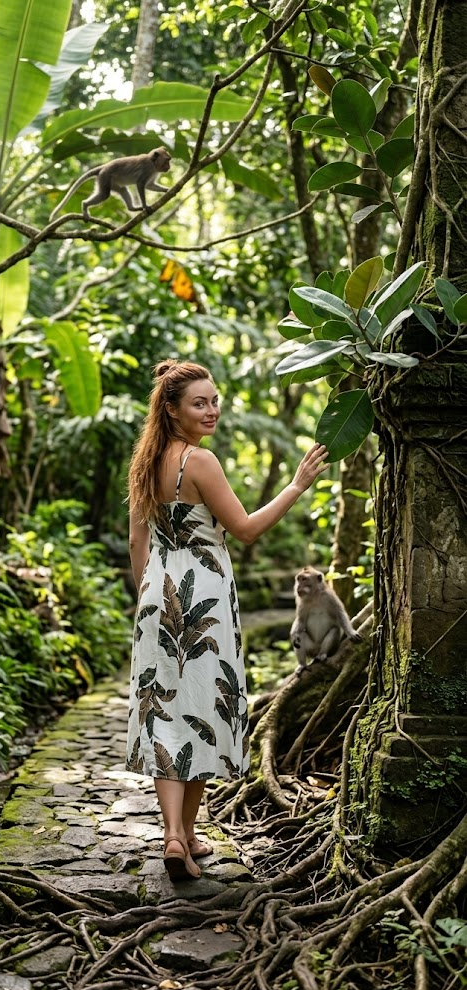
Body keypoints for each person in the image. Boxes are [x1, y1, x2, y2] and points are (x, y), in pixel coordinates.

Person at [126, 360, 328, 881]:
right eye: (200, 402)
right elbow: (245, 529)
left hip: (157, 596)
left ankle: (182, 835)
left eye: (214, 400)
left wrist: (147, 592)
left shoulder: (145, 463)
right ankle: (179, 835)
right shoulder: (201, 462)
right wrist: (298, 485)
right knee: (202, 710)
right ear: (171, 409)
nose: (212, 409)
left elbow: (137, 543)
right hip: (205, 598)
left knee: (167, 714)